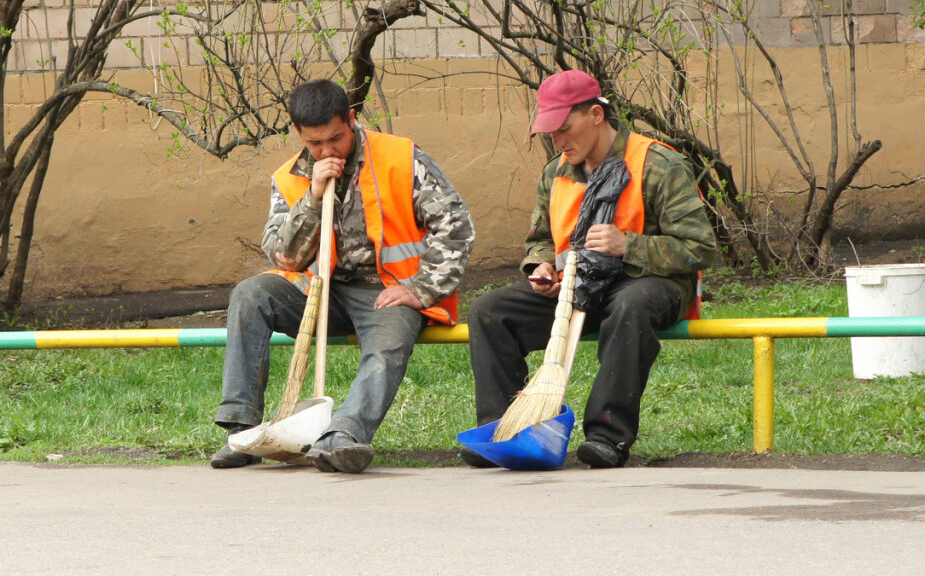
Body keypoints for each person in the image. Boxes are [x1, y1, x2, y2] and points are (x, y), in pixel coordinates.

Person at [212, 78, 474, 473]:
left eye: (335, 138)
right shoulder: (290, 177)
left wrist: (421, 289)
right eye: (315, 143)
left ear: (351, 119)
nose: (326, 150)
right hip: (321, 291)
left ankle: (343, 436)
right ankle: (244, 431)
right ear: (297, 133)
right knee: (251, 294)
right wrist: (313, 199)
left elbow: (455, 225)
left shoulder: (402, 158)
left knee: (386, 346)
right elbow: (284, 256)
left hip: (389, 291)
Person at [465, 70, 716, 468]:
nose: (559, 142)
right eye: (551, 134)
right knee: (488, 311)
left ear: (597, 115)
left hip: (647, 284)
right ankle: (504, 432)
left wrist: (627, 245)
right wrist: (542, 265)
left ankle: (607, 437)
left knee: (630, 306)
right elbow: (540, 238)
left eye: (565, 129)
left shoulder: (660, 164)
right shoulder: (556, 171)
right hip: (574, 288)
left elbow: (700, 248)